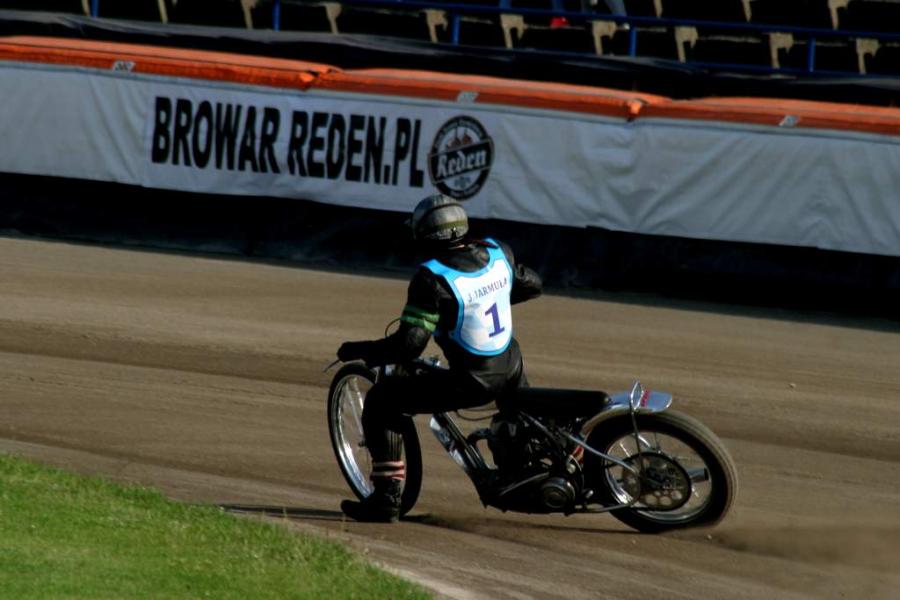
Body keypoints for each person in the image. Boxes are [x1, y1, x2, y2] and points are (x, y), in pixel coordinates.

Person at [336, 193, 543, 522]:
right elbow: (532, 284)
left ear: (424, 236)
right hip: (511, 364)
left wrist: (361, 350)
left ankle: (386, 497)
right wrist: (481, 302)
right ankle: (523, 462)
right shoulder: (497, 251)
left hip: (472, 381)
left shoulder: (431, 278)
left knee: (383, 402)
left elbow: (408, 347)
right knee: (522, 415)